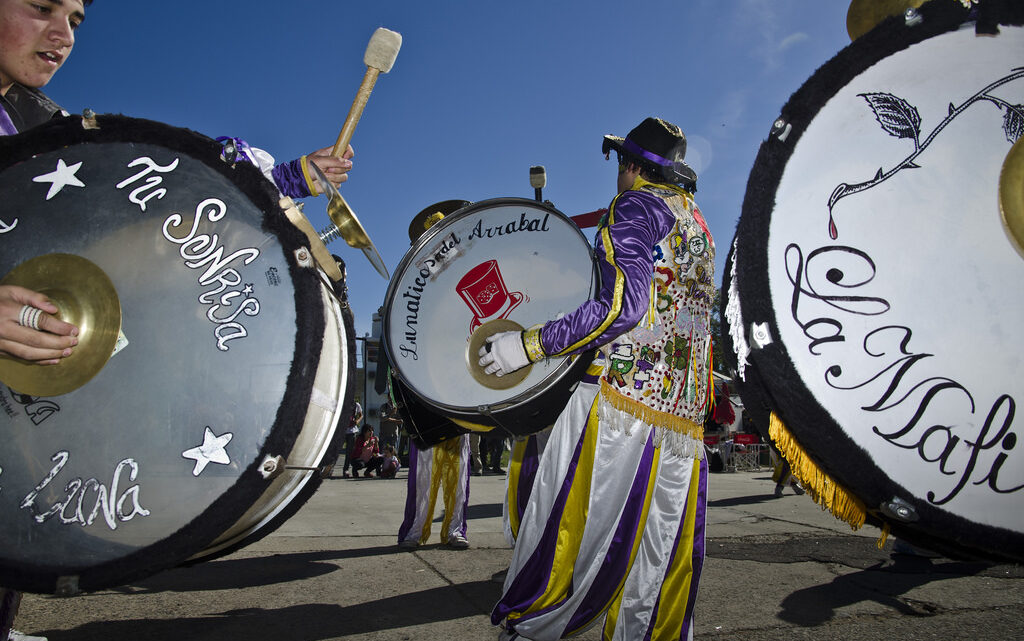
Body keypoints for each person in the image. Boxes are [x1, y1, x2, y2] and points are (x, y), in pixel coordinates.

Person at [0, 4, 350, 639]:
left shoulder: (39, 124)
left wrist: (293, 178)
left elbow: (149, 213)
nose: (64, 36)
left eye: (76, 18)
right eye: (41, 8)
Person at [481, 117, 714, 640]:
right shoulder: (696, 223)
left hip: (619, 399)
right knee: (658, 553)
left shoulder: (635, 206)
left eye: (619, 164)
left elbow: (622, 308)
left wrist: (528, 344)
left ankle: (532, 626)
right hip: (683, 416)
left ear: (631, 166)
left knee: (571, 529)